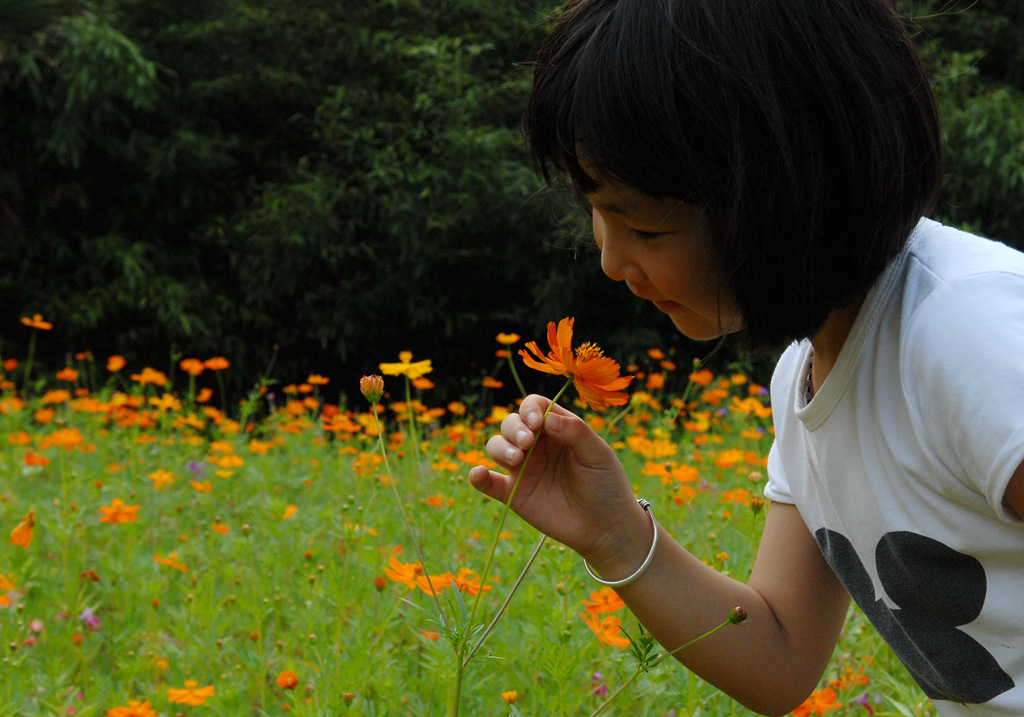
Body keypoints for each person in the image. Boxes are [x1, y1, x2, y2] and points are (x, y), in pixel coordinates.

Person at [467, 0, 1024, 714]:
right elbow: (780, 653)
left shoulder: (967, 333)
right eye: (596, 213)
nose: (610, 259)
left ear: (781, 192)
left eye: (642, 225)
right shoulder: (806, 377)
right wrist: (616, 534)